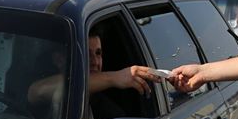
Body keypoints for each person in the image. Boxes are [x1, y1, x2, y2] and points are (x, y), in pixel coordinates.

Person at [28, 29, 158, 106]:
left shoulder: (109, 112)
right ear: (59, 60)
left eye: (98, 53)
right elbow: (37, 90)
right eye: (86, 53)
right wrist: (114, 77)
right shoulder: (46, 99)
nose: (95, 61)